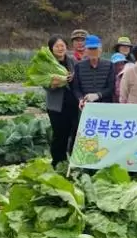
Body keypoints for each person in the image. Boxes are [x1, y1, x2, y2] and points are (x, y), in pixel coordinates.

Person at [45, 35, 77, 168]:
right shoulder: (46, 63)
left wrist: (72, 77)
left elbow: (78, 77)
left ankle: (74, 161)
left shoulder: (72, 60)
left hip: (73, 104)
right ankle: (58, 161)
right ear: (51, 49)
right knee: (60, 135)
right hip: (56, 106)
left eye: (62, 45)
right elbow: (45, 84)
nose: (60, 48)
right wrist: (57, 81)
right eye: (57, 46)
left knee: (75, 132)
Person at [72, 35, 115, 110]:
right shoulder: (78, 66)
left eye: (95, 49)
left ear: (100, 49)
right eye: (90, 49)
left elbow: (111, 87)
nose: (93, 52)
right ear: (85, 50)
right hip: (86, 107)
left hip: (105, 106)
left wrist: (98, 95)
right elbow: (76, 88)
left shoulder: (109, 65)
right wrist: (81, 99)